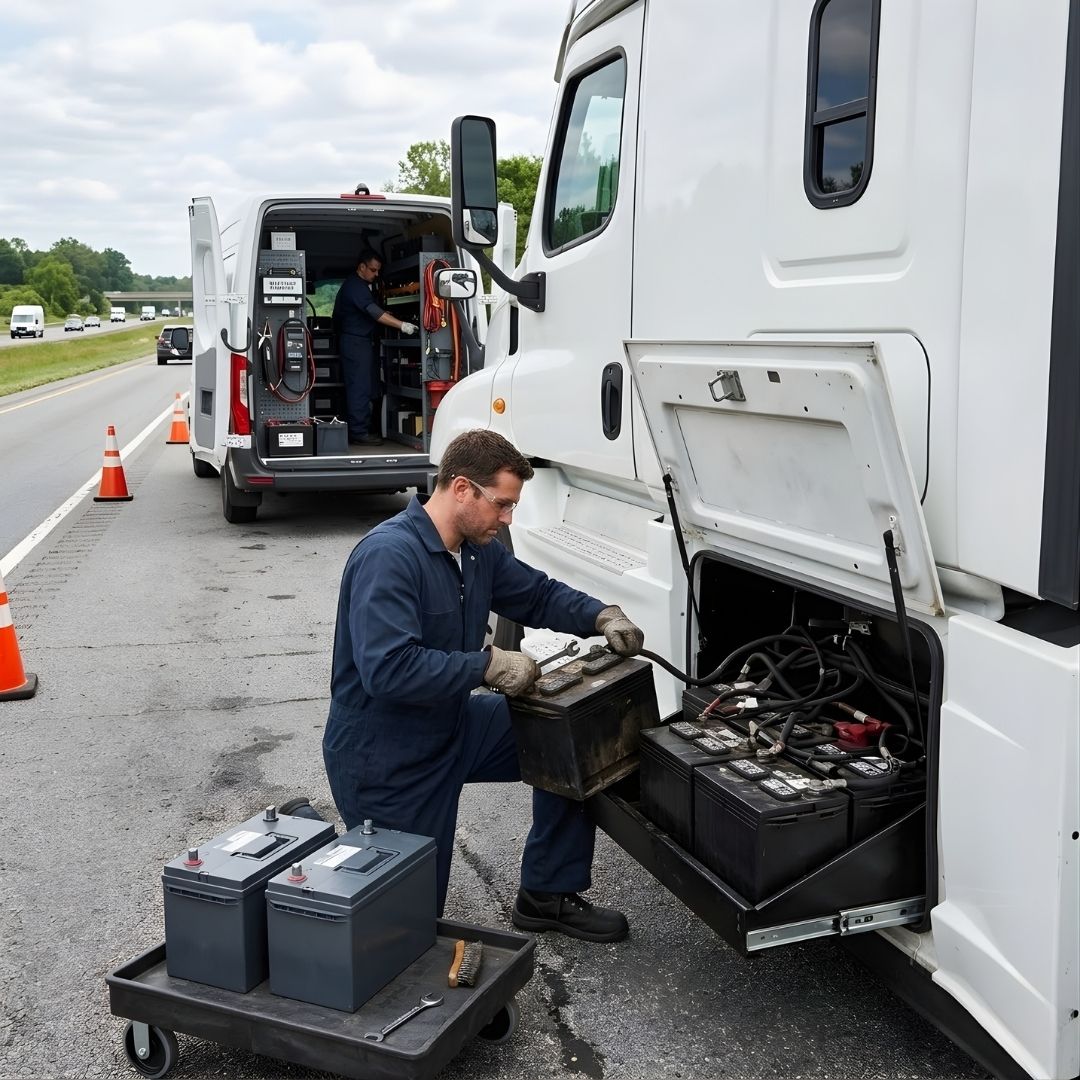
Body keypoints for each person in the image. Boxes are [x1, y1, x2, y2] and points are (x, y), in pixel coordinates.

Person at [322, 429, 645, 942]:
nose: (508, 518)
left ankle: (547, 894)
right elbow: (387, 670)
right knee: (402, 932)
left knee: (574, 735)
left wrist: (600, 614)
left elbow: (535, 594)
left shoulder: (476, 551)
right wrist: (486, 666)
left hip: (452, 724)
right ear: (462, 489)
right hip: (387, 755)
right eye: (502, 504)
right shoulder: (389, 556)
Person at [332, 248, 418, 446]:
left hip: (361, 342)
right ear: (361, 267)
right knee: (359, 387)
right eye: (373, 270)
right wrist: (402, 325)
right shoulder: (355, 286)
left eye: (378, 270)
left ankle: (362, 427)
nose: (376, 274)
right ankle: (358, 432)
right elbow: (373, 312)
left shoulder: (361, 286)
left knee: (367, 386)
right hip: (355, 342)